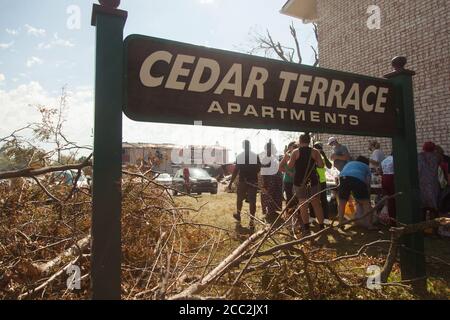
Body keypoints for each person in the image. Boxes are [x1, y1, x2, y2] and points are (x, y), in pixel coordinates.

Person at [288, 133, 325, 236]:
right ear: (309, 141)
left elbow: (290, 166)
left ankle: (306, 227)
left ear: (300, 141)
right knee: (316, 203)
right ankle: (321, 226)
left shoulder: (295, 152)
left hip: (299, 181)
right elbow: (321, 166)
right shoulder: (315, 152)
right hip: (313, 180)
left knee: (302, 203)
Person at [228, 140, 261, 232]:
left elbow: (235, 171)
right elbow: (258, 169)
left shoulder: (240, 156)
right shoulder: (255, 156)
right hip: (252, 181)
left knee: (239, 199)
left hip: (243, 181)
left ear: (243, 147)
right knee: (252, 201)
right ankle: (251, 220)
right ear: (250, 146)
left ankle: (238, 214)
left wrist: (230, 183)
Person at [337, 156, 376, 229]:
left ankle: (340, 223)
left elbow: (345, 175)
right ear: (366, 163)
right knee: (366, 203)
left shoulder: (349, 163)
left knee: (342, 202)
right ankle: (369, 225)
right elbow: (367, 183)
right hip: (357, 179)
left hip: (343, 178)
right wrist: (366, 196)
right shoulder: (366, 167)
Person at [260, 141, 283, 223]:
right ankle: (269, 213)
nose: (274, 148)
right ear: (269, 149)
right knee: (269, 196)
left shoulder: (273, 157)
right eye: (273, 147)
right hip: (270, 181)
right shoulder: (266, 158)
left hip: (275, 181)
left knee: (274, 196)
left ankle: (272, 211)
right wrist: (265, 183)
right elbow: (264, 172)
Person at [418, 142, 440, 221]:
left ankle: (422, 228)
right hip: (433, 185)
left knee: (422, 208)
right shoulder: (436, 157)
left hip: (422, 185)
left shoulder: (419, 156)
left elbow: (418, 170)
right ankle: (435, 227)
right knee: (433, 208)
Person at [314, 142, 333, 220]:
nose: (319, 149)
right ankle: (313, 216)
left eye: (320, 148)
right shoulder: (312, 156)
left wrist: (324, 155)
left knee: (323, 199)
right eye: (317, 147)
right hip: (313, 180)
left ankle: (326, 218)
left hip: (322, 180)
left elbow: (329, 166)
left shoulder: (322, 156)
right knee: (313, 199)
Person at [279, 142, 297, 210]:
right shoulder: (287, 156)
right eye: (294, 147)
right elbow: (280, 167)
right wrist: (288, 172)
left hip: (297, 180)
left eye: (296, 147)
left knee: (297, 198)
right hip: (288, 180)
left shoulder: (298, 155)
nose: (295, 148)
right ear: (290, 148)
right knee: (289, 198)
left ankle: (297, 214)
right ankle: (289, 214)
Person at [381, 155, 396, 225]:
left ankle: (391, 220)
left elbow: (381, 170)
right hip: (392, 178)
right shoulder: (395, 159)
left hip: (384, 178)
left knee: (389, 199)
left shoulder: (385, 159)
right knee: (395, 199)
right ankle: (395, 220)